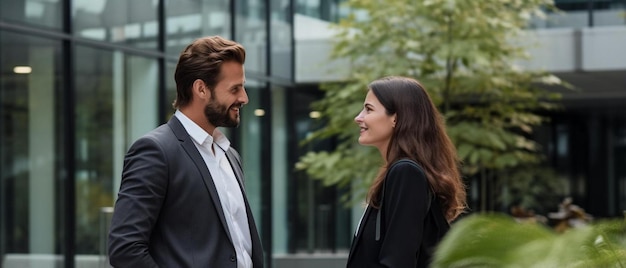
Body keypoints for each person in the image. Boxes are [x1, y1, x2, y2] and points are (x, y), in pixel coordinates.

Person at [108, 36, 264, 268]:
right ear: (201, 89)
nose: (244, 98)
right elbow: (125, 249)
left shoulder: (229, 154)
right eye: (235, 89)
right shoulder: (156, 151)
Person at [347, 76, 466, 267]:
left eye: (368, 109)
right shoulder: (399, 172)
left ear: (396, 118)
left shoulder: (405, 173)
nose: (358, 117)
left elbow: (398, 260)